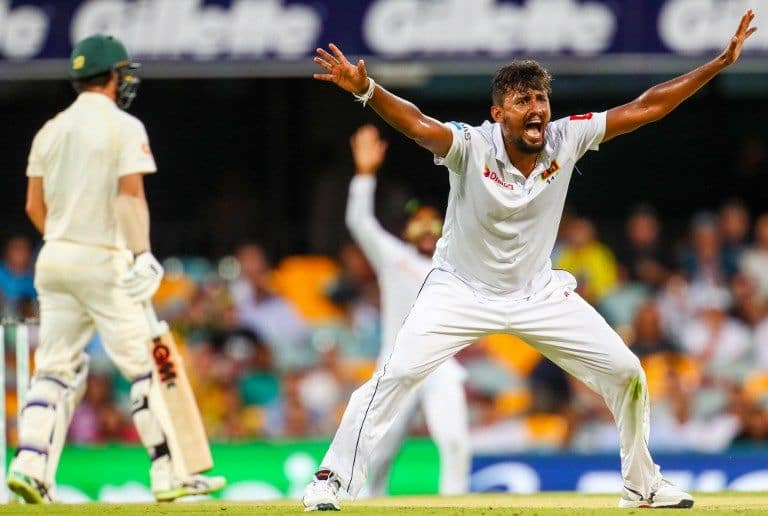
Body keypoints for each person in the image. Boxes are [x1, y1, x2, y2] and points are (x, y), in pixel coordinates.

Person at [303, 9, 757, 511]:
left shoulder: (568, 136)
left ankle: (641, 484)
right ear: (499, 114)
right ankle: (331, 479)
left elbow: (648, 106)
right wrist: (368, 91)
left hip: (537, 292)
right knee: (394, 377)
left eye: (541, 97)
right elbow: (417, 124)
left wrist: (718, 64)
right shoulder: (471, 145)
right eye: (523, 100)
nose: (536, 108)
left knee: (627, 371)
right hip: (459, 290)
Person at [7, 34, 224, 503]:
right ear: (112, 76)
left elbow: (32, 205)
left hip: (55, 258)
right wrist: (141, 252)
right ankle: (174, 476)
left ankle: (29, 466)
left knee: (54, 368)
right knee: (149, 364)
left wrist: (65, 240)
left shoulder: (49, 129)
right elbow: (130, 196)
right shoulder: (122, 126)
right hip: (103, 257)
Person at [345, 125, 470, 496]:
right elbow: (359, 223)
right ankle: (370, 502)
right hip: (397, 361)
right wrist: (365, 174)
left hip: (441, 365)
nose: (428, 226)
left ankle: (456, 506)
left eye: (435, 220)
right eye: (419, 220)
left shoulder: (457, 263)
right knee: (380, 453)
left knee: (456, 442)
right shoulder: (394, 258)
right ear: (406, 230)